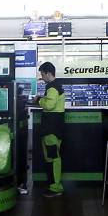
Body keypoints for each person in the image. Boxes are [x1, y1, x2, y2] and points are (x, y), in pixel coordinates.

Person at [36, 62, 66, 197]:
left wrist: (39, 101)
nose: (42, 77)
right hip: (52, 128)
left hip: (51, 129)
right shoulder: (56, 86)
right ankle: (52, 184)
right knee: (50, 156)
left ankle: (56, 187)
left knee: (53, 157)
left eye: (42, 74)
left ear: (48, 73)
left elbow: (49, 104)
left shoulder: (52, 87)